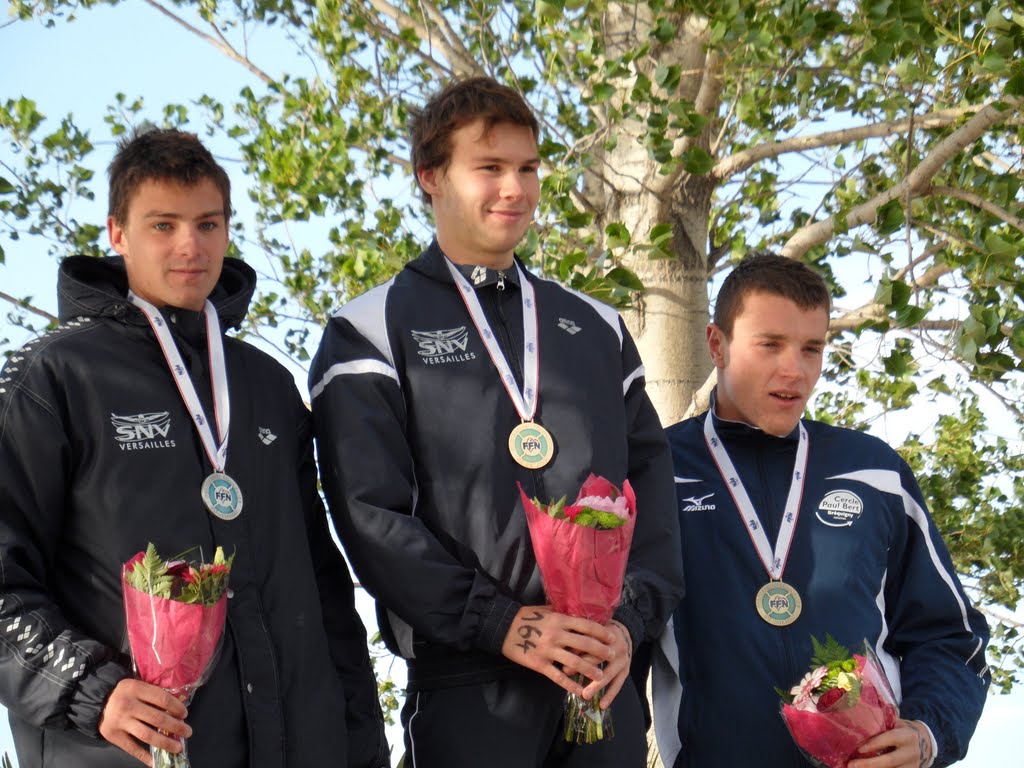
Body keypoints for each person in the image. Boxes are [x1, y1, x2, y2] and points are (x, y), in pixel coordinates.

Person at [309, 76, 684, 768]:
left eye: (528, 168)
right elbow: (369, 515)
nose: (515, 189)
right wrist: (500, 622)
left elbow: (652, 491)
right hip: (470, 682)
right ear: (431, 176)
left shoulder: (596, 328)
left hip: (603, 677)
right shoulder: (369, 328)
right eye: (489, 168)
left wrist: (630, 624)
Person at [0, 128, 388, 768]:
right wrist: (92, 690)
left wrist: (361, 744)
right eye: (163, 225)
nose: (191, 246)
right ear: (117, 233)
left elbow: (324, 589)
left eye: (208, 224)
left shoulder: (266, 385)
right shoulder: (54, 376)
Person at [651, 253, 990, 767]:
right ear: (716, 345)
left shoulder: (874, 472)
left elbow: (949, 635)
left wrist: (928, 733)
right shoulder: (658, 469)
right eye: (770, 345)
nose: (795, 370)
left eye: (812, 348)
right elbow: (618, 641)